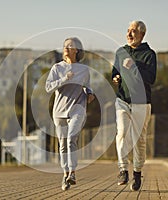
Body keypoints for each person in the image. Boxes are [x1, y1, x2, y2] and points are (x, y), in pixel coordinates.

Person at [112, 21, 157, 191]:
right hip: (122, 100)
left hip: (141, 102)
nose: (129, 34)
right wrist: (116, 77)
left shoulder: (149, 54)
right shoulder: (121, 52)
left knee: (139, 139)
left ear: (142, 35)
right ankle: (123, 170)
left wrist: (134, 66)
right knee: (122, 132)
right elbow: (115, 71)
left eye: (133, 31)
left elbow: (151, 78)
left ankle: (137, 172)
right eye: (128, 30)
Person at [45, 37, 95, 191]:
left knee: (71, 139)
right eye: (65, 45)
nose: (66, 47)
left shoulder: (84, 70)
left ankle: (72, 172)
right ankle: (65, 174)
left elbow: (87, 87)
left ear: (77, 50)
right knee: (62, 145)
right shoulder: (57, 68)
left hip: (77, 107)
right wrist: (64, 79)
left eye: (70, 46)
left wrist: (90, 93)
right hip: (59, 111)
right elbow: (48, 87)